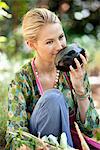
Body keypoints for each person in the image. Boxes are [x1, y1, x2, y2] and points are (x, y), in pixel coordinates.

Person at [6, 8, 99, 150]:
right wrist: (36, 146)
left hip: (68, 143)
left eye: (61, 37)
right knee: (53, 98)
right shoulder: (21, 80)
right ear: (31, 44)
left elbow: (90, 130)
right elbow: (15, 134)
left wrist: (80, 89)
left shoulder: (73, 71)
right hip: (39, 145)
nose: (59, 46)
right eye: (49, 42)